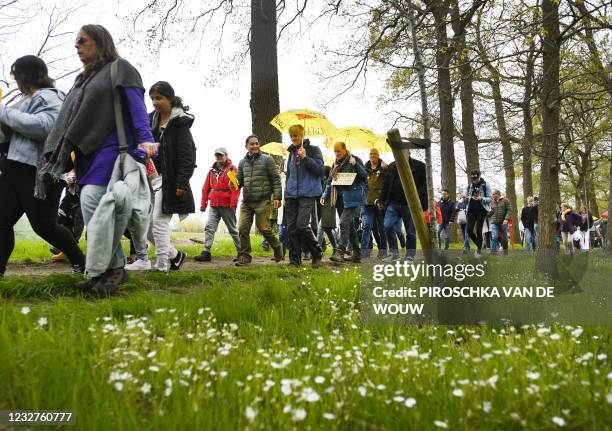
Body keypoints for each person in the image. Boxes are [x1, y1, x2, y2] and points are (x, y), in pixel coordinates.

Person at [36, 25, 156, 294]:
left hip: (113, 149)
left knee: (94, 203)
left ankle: (110, 269)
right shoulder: (83, 80)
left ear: (100, 42)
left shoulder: (120, 68)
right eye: (75, 42)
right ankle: (108, 269)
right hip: (86, 155)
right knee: (95, 211)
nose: (76, 46)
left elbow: (136, 104)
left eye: (82, 41)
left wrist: (146, 137)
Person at [0, 55, 86, 277]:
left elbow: (44, 127)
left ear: (25, 76)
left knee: (44, 226)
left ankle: (81, 264)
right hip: (14, 167)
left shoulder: (52, 97)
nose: (16, 82)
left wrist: (3, 112)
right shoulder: (28, 99)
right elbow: (13, 130)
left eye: (16, 77)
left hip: (38, 172)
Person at [126, 81, 195, 272]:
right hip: (149, 180)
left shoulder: (180, 124)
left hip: (169, 181)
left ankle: (162, 265)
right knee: (144, 224)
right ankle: (175, 255)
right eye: (152, 99)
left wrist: (181, 182)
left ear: (170, 99)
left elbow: (187, 157)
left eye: (159, 98)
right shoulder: (149, 121)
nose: (155, 102)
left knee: (159, 221)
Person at [236, 134, 283, 266]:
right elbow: (239, 182)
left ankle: (277, 246)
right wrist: (233, 183)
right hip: (247, 201)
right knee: (242, 228)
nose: (255, 145)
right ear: (246, 146)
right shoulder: (242, 162)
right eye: (252, 144)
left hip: (263, 200)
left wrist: (277, 197)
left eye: (257, 143)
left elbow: (275, 179)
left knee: (263, 228)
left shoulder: (267, 160)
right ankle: (245, 256)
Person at [284, 124, 324, 268]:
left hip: (308, 194)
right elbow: (289, 175)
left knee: (301, 226)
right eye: (291, 136)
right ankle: (295, 261)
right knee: (292, 228)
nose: (293, 138)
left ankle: (317, 252)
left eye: (296, 135)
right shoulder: (291, 153)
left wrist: (306, 158)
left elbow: (320, 171)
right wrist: (285, 195)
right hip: (291, 195)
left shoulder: (313, 150)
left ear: (302, 135)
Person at [377, 149, 427, 262]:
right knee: (387, 225)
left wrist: (419, 199)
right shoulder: (392, 166)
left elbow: (425, 186)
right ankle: (395, 254)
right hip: (393, 203)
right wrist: (381, 200)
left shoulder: (420, 166)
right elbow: (386, 184)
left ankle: (410, 256)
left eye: (403, 153)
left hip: (410, 205)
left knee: (410, 231)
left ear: (409, 153)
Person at [321, 142, 367, 263]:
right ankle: (357, 254)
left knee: (343, 222)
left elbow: (364, 176)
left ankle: (340, 251)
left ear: (345, 149)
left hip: (353, 198)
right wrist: (325, 195)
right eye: (335, 151)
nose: (337, 153)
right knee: (350, 226)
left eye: (339, 151)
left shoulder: (355, 160)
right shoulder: (335, 164)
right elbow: (331, 181)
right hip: (340, 200)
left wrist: (356, 165)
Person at [195, 147, 240, 262]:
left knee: (233, 230)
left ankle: (242, 253)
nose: (219, 157)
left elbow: (236, 188)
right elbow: (206, 188)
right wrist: (203, 204)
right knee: (209, 228)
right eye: (217, 155)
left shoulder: (232, 169)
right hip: (214, 204)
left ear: (226, 155)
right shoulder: (211, 171)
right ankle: (206, 252)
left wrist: (233, 204)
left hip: (227, 205)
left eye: (221, 155)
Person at [361, 148, 387, 258]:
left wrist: (385, 169)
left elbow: (389, 184)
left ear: (378, 155)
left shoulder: (384, 168)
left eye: (375, 154)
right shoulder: (364, 169)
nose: (373, 155)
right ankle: (364, 252)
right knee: (366, 226)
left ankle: (383, 252)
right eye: (371, 154)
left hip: (380, 203)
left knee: (381, 228)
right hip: (367, 203)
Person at [464, 170, 492, 257]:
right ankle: (479, 244)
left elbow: (490, 198)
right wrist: (466, 197)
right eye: (473, 178)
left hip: (481, 210)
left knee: (479, 230)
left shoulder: (485, 185)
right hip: (471, 210)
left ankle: (479, 250)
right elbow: (466, 197)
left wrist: (481, 198)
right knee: (469, 230)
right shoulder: (469, 186)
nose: (474, 180)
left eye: (476, 178)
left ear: (479, 176)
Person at [317, 166, 338, 255]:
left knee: (321, 228)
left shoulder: (327, 183)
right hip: (327, 208)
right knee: (328, 230)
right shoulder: (325, 182)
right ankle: (336, 248)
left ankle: (316, 250)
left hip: (328, 208)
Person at [489, 189, 512, 255]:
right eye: (492, 194)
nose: (492, 195)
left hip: (503, 222)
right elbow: (489, 213)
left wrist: (506, 219)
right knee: (494, 237)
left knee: (504, 238)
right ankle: (493, 253)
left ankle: (505, 252)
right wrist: (489, 212)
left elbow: (509, 210)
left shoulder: (505, 200)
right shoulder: (491, 202)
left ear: (498, 194)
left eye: (494, 194)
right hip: (494, 222)